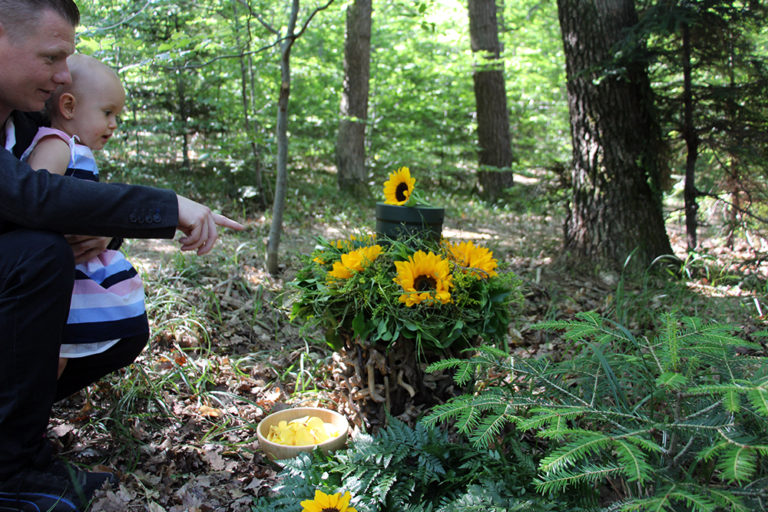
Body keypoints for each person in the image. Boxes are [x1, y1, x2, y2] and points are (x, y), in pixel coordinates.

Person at [0, 1, 244, 511]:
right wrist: (168, 207)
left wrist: (104, 235)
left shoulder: (24, 121)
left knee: (123, 328)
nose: (63, 75)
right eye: (51, 57)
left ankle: (18, 444)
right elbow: (32, 196)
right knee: (39, 254)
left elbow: (61, 203)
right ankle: (11, 472)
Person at [21, 53, 149, 383]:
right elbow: (33, 198)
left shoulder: (77, 149)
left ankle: (29, 419)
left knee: (58, 359)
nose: (114, 124)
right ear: (68, 107)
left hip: (73, 270)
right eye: (107, 113)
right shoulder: (57, 145)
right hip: (58, 277)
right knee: (51, 359)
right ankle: (24, 425)